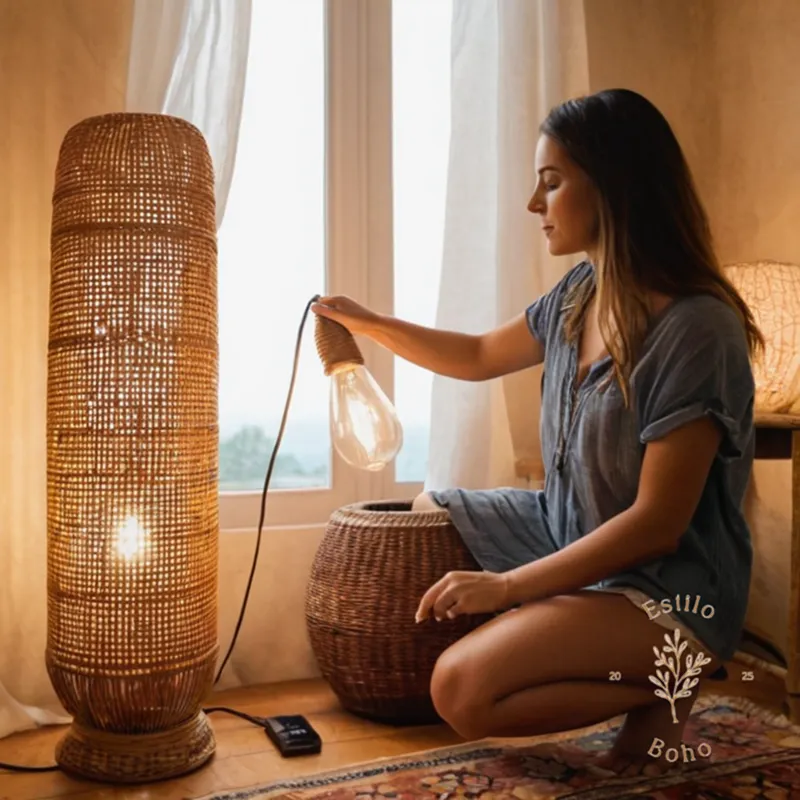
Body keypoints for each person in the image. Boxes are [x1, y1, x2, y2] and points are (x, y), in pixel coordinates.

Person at [311, 88, 762, 776]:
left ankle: (675, 678)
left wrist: (511, 588)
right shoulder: (578, 295)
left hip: (667, 587)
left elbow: (655, 526)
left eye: (551, 183)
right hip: (566, 527)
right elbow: (477, 356)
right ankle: (624, 671)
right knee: (430, 515)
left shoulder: (697, 329)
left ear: (614, 186)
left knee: (459, 688)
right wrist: (369, 324)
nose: (533, 204)